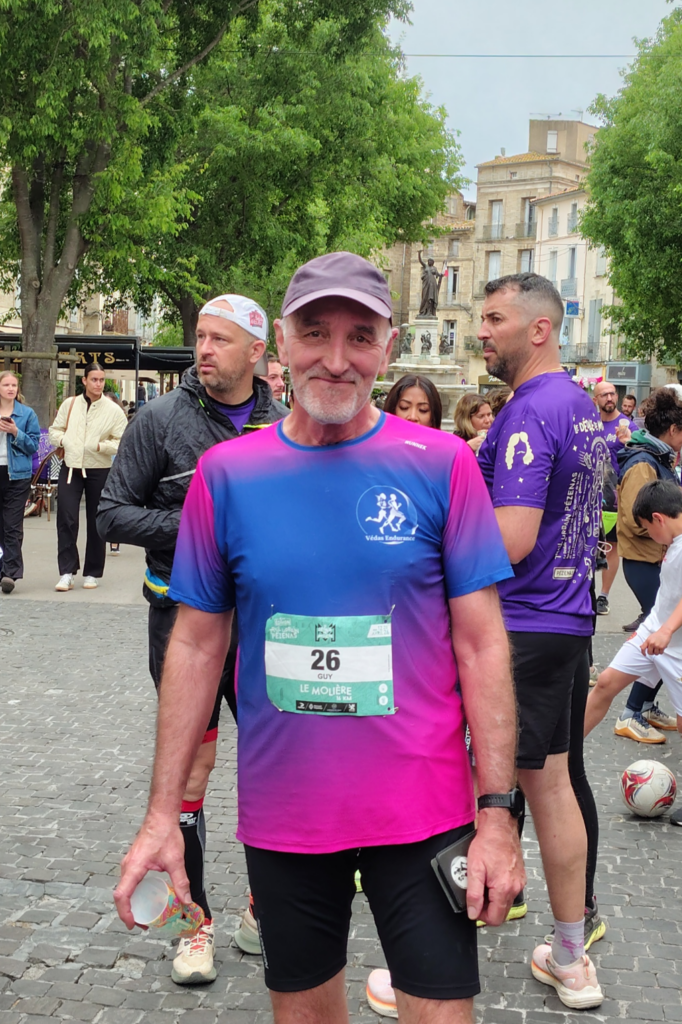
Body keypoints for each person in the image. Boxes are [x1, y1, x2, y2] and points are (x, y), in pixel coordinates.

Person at [114, 251, 525, 1024]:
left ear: (387, 346)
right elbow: (196, 647)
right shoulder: (226, 476)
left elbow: (481, 645)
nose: (336, 359)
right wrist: (162, 814)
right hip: (288, 816)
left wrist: (498, 815)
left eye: (359, 336)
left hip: (424, 811)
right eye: (314, 333)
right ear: (281, 340)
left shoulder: (441, 465)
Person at [98, 294, 286, 982]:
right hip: (182, 623)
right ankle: (192, 924)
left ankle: (264, 909)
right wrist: (202, 527)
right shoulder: (159, 420)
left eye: (219, 339)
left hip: (265, 627)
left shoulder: (284, 422)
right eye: (200, 337)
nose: (203, 349)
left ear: (256, 352)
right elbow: (112, 514)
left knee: (277, 765)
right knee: (192, 772)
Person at [477, 272, 605, 1009]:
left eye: (494, 318)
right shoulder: (579, 405)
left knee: (476, 789)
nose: (481, 331)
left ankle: (427, 965)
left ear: (538, 329)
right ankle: (570, 955)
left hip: (518, 627)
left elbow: (512, 538)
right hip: (564, 622)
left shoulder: (529, 409)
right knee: (551, 786)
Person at [586, 479, 682, 825]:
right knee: (606, 684)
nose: (649, 535)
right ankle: (561, 758)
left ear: (659, 518)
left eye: (648, 528)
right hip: (652, 633)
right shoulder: (678, 536)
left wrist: (667, 630)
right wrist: (655, 627)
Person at [613, 388, 682, 742]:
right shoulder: (644, 462)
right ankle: (631, 712)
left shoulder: (656, 456)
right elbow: (636, 518)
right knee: (662, 637)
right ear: (672, 429)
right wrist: (680, 525)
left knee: (664, 636)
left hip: (655, 559)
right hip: (644, 561)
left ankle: (643, 707)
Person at [48, 364, 126, 592]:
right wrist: (65, 441)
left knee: (96, 520)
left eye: (101, 380)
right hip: (71, 467)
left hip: (99, 469)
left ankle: (92, 572)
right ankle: (66, 572)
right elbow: (54, 431)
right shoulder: (70, 404)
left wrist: (100, 446)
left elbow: (122, 440)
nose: (98, 384)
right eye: (94, 379)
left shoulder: (113, 410)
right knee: (66, 518)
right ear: (84, 381)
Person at [0, 371, 40, 594]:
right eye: (6, 384)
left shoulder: (26, 414)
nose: (10, 389)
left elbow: (33, 446)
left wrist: (16, 432)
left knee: (12, 525)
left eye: (13, 385)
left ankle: (10, 573)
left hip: (17, 476)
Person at [593, 381, 625, 616]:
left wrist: (628, 442)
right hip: (589, 492)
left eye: (612, 394)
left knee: (611, 545)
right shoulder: (590, 424)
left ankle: (603, 596)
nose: (610, 398)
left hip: (614, 494)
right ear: (596, 400)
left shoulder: (625, 425)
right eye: (604, 395)